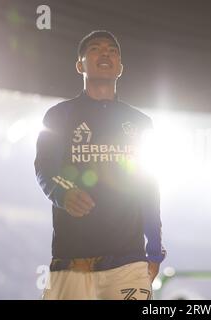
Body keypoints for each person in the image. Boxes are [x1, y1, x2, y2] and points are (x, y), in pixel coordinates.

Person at [34, 30, 166, 300]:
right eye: (95, 48)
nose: (105, 53)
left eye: (112, 51)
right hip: (72, 260)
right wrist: (63, 193)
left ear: (120, 67)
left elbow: (149, 186)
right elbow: (45, 167)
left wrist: (154, 249)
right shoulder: (59, 115)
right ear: (80, 64)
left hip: (128, 261)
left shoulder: (141, 122)